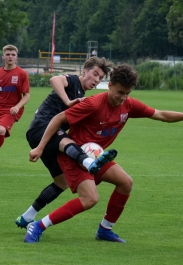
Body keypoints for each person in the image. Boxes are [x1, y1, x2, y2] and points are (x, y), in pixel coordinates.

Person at [23, 64, 183, 243]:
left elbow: (160, 114)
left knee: (125, 182)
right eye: (120, 92)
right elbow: (58, 118)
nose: (123, 98)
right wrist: (40, 147)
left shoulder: (129, 105)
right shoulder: (92, 104)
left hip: (97, 158)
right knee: (90, 199)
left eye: (127, 93)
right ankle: (38, 225)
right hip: (74, 157)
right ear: (110, 86)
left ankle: (105, 230)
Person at [15, 57, 117, 229]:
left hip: (48, 136)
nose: (97, 79)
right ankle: (90, 163)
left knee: (61, 182)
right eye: (94, 74)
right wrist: (68, 102)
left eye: (100, 78)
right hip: (41, 128)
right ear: (84, 71)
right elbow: (54, 79)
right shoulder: (73, 80)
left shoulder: (83, 97)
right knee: (65, 141)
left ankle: (27, 216)